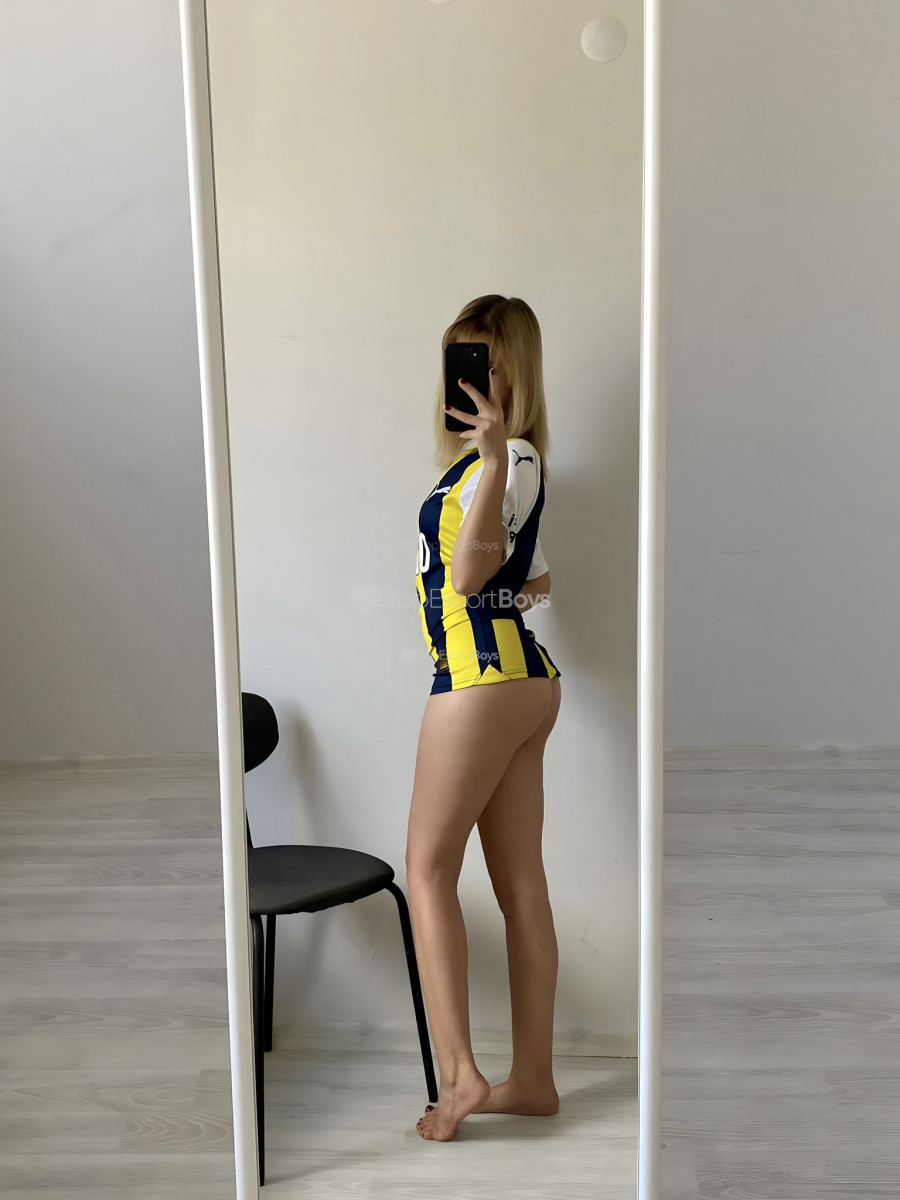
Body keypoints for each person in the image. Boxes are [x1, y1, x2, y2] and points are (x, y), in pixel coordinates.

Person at [408, 295, 563, 1141]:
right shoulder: (498, 466)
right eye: (458, 360)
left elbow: (467, 579)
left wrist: (496, 455)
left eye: (485, 362)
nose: (467, 379)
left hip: (479, 683)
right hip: (520, 679)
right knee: (520, 885)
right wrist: (493, 464)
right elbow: (534, 581)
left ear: (515, 374)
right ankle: (532, 1082)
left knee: (428, 870)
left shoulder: (510, 459)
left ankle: (462, 1076)